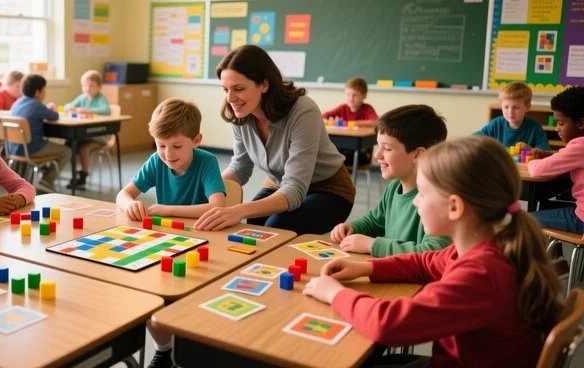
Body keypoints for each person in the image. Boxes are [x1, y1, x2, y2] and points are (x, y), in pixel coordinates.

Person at [304, 136, 561, 367]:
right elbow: (424, 262)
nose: (415, 201)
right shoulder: (486, 245)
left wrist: (335, 294)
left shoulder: (481, 273)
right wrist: (367, 267)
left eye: (423, 193)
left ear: (454, 207)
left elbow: (389, 325)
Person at [194, 45, 355, 234]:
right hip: (280, 183)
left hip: (329, 189)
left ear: (264, 84)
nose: (230, 98)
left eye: (238, 88)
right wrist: (205, 191)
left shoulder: (303, 111)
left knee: (276, 226)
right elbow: (240, 168)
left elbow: (295, 188)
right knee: (253, 221)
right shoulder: (240, 113)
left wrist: (237, 210)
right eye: (225, 89)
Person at [116, 98, 225, 368]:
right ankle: (165, 349)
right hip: (167, 243)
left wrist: (168, 209)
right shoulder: (157, 161)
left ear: (196, 139)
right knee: (144, 289)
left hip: (206, 243)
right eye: (161, 145)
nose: (168, 154)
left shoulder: (206, 161)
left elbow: (218, 207)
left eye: (177, 146)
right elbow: (124, 193)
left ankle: (191, 348)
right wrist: (130, 204)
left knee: (194, 296)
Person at [329, 105, 451, 257]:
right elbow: (375, 221)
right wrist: (352, 228)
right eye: (378, 146)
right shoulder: (395, 186)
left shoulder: (438, 199)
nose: (377, 155)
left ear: (418, 155)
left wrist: (373, 245)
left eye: (386, 148)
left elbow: (434, 253)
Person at [528, 85, 584, 234]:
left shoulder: (580, 146)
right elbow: (570, 158)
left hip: (581, 219)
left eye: (561, 123)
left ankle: (538, 257)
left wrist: (530, 160)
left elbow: (537, 170)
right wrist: (550, 156)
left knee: (524, 219)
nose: (557, 129)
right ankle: (555, 256)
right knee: (546, 206)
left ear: (580, 123)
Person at [10, 74, 71, 194]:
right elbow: (55, 116)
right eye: (44, 90)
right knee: (67, 151)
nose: (45, 92)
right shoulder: (36, 105)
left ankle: (44, 175)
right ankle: (47, 181)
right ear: (38, 92)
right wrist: (51, 108)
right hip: (32, 149)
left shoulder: (17, 102)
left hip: (14, 148)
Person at [64, 70, 112, 190]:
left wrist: (88, 111)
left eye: (91, 85)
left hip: (99, 134)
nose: (87, 88)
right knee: (70, 144)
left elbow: (106, 110)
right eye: (85, 85)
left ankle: (83, 175)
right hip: (84, 134)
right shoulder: (82, 97)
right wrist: (70, 107)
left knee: (83, 148)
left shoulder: (101, 99)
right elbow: (67, 106)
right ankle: (75, 174)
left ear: (99, 87)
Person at [475, 81, 550, 150]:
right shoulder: (496, 124)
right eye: (506, 107)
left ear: (527, 107)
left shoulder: (534, 126)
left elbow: (544, 149)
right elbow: (475, 138)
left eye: (516, 107)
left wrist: (529, 148)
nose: (510, 112)